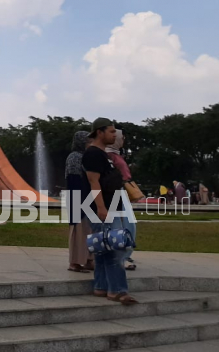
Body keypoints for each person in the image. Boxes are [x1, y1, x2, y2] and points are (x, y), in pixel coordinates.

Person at [84, 118, 136, 305]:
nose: (115, 135)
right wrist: (101, 208)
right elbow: (93, 182)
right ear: (100, 132)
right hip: (105, 208)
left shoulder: (102, 154)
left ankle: (101, 286)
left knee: (103, 248)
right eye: (112, 132)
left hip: (109, 206)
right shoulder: (93, 154)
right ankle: (117, 290)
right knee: (116, 249)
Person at [106, 129, 137, 270]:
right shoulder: (109, 155)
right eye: (121, 137)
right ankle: (122, 256)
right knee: (124, 224)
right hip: (116, 192)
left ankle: (125, 254)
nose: (122, 140)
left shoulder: (117, 154)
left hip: (122, 192)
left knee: (129, 224)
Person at [66, 131, 93, 273]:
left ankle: (88, 259)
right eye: (88, 142)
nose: (90, 144)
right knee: (78, 231)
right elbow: (74, 180)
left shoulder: (84, 157)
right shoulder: (75, 157)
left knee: (88, 230)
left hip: (86, 198)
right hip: (78, 199)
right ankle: (75, 262)